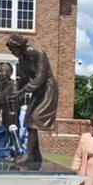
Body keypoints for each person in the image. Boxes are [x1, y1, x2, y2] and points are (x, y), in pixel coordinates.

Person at [6, 35, 59, 164]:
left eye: (13, 50)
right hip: (37, 91)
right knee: (28, 120)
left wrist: (22, 92)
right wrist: (14, 91)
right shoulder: (21, 59)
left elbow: (41, 77)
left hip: (47, 89)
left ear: (19, 46)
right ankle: (36, 155)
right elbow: (24, 78)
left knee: (33, 120)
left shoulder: (38, 53)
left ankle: (29, 155)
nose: (13, 53)